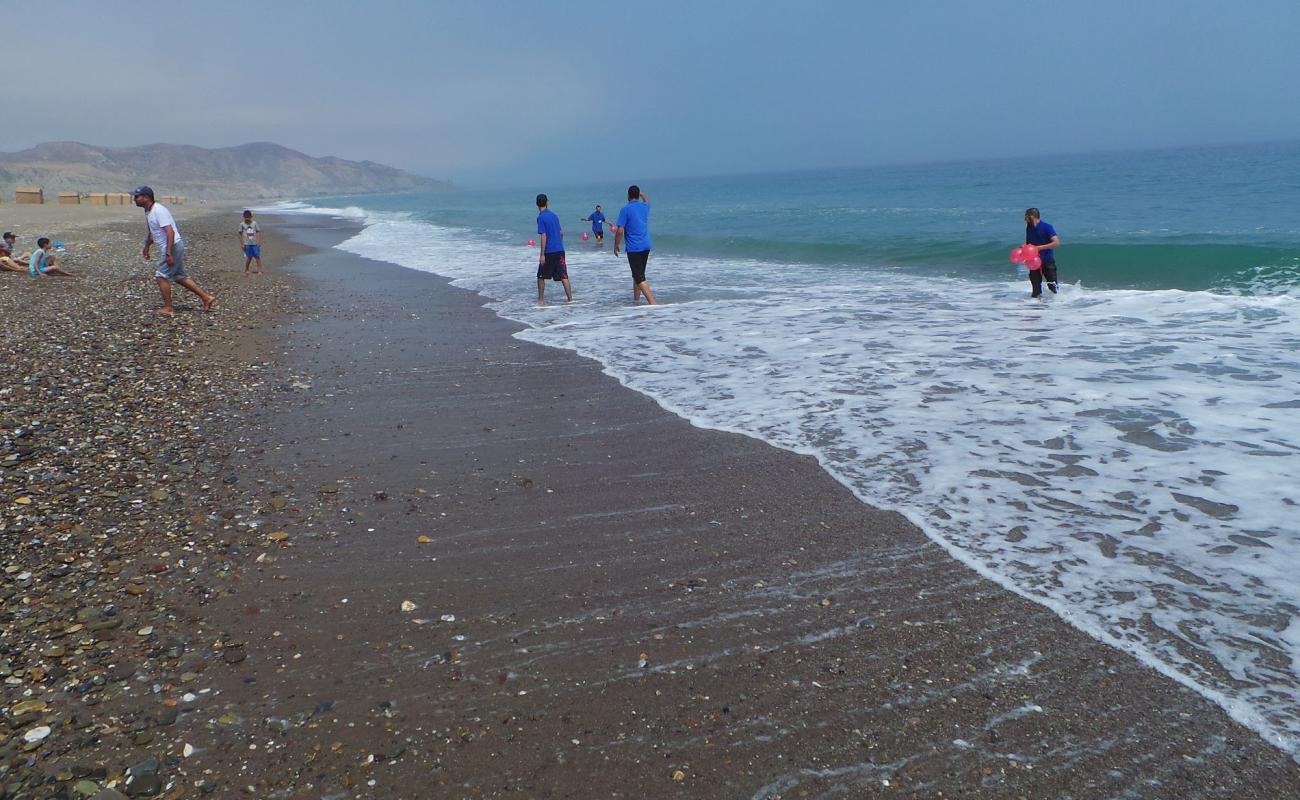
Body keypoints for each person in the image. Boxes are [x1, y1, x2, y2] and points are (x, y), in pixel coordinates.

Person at [132, 186, 215, 315]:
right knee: (179, 276)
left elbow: (169, 232)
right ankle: (206, 297)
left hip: (173, 246)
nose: (134, 199)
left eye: (137, 196)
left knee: (161, 276)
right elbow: (153, 231)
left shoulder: (159, 210)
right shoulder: (149, 211)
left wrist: (169, 253)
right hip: (172, 246)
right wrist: (147, 246)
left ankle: (168, 307)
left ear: (146, 197)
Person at [613, 184, 656, 305]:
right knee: (638, 274)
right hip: (646, 245)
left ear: (628, 196)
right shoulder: (644, 207)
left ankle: (653, 304)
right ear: (638, 195)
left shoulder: (625, 210)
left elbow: (620, 230)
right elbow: (647, 200)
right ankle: (636, 300)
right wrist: (641, 194)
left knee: (639, 276)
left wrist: (616, 245)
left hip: (634, 248)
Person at [534, 194, 572, 304]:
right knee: (564, 276)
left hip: (549, 251)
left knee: (540, 276)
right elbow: (561, 233)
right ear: (547, 202)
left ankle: (541, 300)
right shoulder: (554, 216)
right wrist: (558, 243)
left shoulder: (540, 218)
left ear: (537, 204)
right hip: (560, 250)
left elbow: (543, 235)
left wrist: (542, 254)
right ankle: (570, 300)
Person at [1024, 207, 1060, 298]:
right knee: (1035, 290)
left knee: (1053, 287)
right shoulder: (1029, 228)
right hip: (1033, 262)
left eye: (1026, 217)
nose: (1025, 219)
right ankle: (1036, 308)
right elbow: (1029, 244)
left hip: (1047, 260)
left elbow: (1056, 243)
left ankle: (1057, 306)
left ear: (1032, 217)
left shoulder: (1047, 227)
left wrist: (1039, 248)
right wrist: (1024, 248)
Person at [238, 209, 263, 275]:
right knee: (249, 257)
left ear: (251, 217)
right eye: (245, 218)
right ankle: (246, 269)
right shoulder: (242, 224)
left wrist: (259, 241)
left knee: (257, 256)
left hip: (255, 243)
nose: (247, 219)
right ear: (243, 217)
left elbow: (258, 232)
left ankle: (259, 270)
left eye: (248, 218)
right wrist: (242, 244)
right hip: (247, 244)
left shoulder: (254, 223)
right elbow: (240, 234)